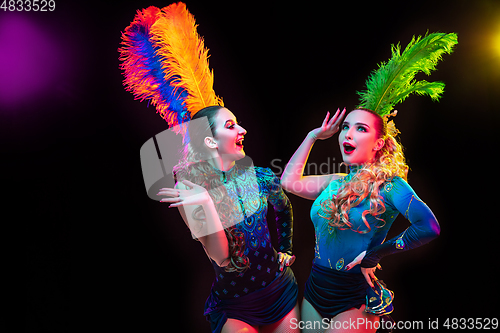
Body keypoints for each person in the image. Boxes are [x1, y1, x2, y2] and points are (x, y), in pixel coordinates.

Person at [281, 107, 440, 333]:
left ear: (378, 144)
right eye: (346, 126)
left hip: (355, 298)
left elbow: (429, 226)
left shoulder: (391, 186)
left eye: (361, 129)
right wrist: (312, 136)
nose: (348, 133)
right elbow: (288, 182)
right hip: (316, 291)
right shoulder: (334, 182)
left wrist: (375, 255)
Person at [158, 105, 300, 333]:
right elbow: (222, 257)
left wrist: (286, 247)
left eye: (238, 123)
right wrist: (205, 201)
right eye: (231, 125)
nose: (243, 130)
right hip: (236, 305)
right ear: (211, 142)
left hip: (280, 290)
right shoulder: (193, 192)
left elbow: (284, 208)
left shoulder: (261, 177)